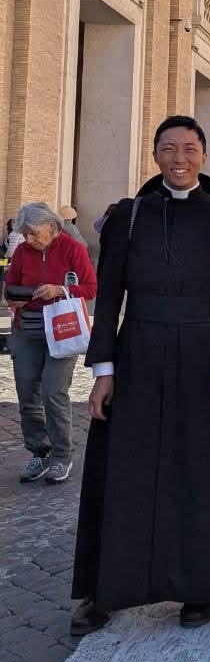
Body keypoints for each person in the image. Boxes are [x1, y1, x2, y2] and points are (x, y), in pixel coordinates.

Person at [70, 115, 210, 635]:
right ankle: (107, 588)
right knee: (124, 468)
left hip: (202, 351)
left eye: (189, 148)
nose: (179, 159)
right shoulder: (128, 217)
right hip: (138, 350)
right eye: (168, 149)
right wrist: (103, 368)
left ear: (204, 155)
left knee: (197, 469)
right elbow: (109, 295)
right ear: (154, 156)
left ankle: (198, 585)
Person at [4, 203, 97, 484]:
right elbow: (10, 287)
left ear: (52, 227)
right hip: (27, 329)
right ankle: (40, 452)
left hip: (63, 330)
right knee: (27, 394)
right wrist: (16, 298)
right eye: (25, 234)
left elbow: (91, 288)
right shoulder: (22, 251)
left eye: (33, 233)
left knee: (54, 392)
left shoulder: (73, 249)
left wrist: (61, 289)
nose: (29, 239)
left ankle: (61, 456)